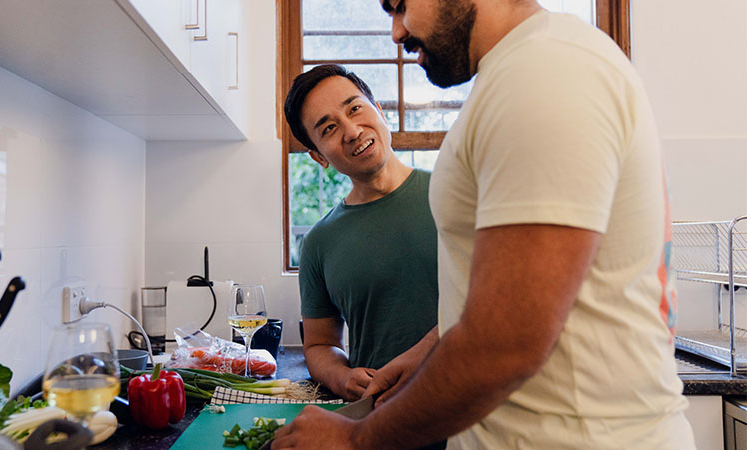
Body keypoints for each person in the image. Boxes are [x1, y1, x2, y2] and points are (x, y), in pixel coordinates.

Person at [272, 0, 695, 449]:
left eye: (399, 6)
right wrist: (421, 359)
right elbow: (487, 307)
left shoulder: (543, 75)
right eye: (328, 128)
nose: (396, 33)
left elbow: (507, 340)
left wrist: (357, 440)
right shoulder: (524, 72)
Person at [284, 65, 441, 404]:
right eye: (329, 128)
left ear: (379, 111)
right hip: (381, 419)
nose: (352, 131)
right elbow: (319, 344)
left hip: (477, 413)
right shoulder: (318, 243)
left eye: (355, 108)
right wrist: (341, 377)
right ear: (318, 157)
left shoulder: (456, 195)